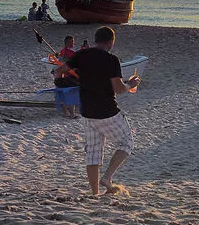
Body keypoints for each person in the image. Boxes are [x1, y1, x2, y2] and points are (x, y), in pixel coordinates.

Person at [56, 26, 141, 195]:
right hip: (107, 111)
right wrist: (131, 84)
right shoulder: (111, 60)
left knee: (93, 153)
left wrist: (65, 82)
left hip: (87, 111)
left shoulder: (82, 54)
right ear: (111, 42)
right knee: (126, 143)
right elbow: (118, 89)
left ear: (96, 40)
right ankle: (107, 178)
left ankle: (95, 194)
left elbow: (59, 71)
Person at [53, 36, 79, 118]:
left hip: (61, 77)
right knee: (71, 92)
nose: (73, 43)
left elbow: (59, 64)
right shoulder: (71, 53)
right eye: (72, 42)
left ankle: (66, 112)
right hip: (69, 77)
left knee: (64, 93)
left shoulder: (62, 52)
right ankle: (71, 113)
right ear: (68, 42)